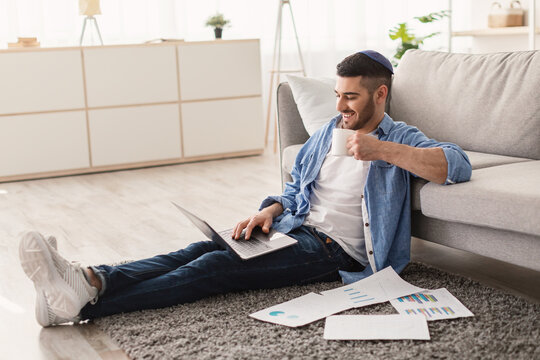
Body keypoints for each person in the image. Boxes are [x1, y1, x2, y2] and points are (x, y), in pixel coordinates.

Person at [19, 50, 472, 327]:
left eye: (350, 97)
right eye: (337, 94)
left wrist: (382, 151)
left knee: (214, 268)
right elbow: (297, 189)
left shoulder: (402, 138)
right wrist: (271, 211)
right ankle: (89, 279)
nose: (339, 106)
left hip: (340, 252)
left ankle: (80, 306)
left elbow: (457, 164)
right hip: (297, 228)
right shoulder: (326, 133)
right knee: (194, 251)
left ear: (380, 95)